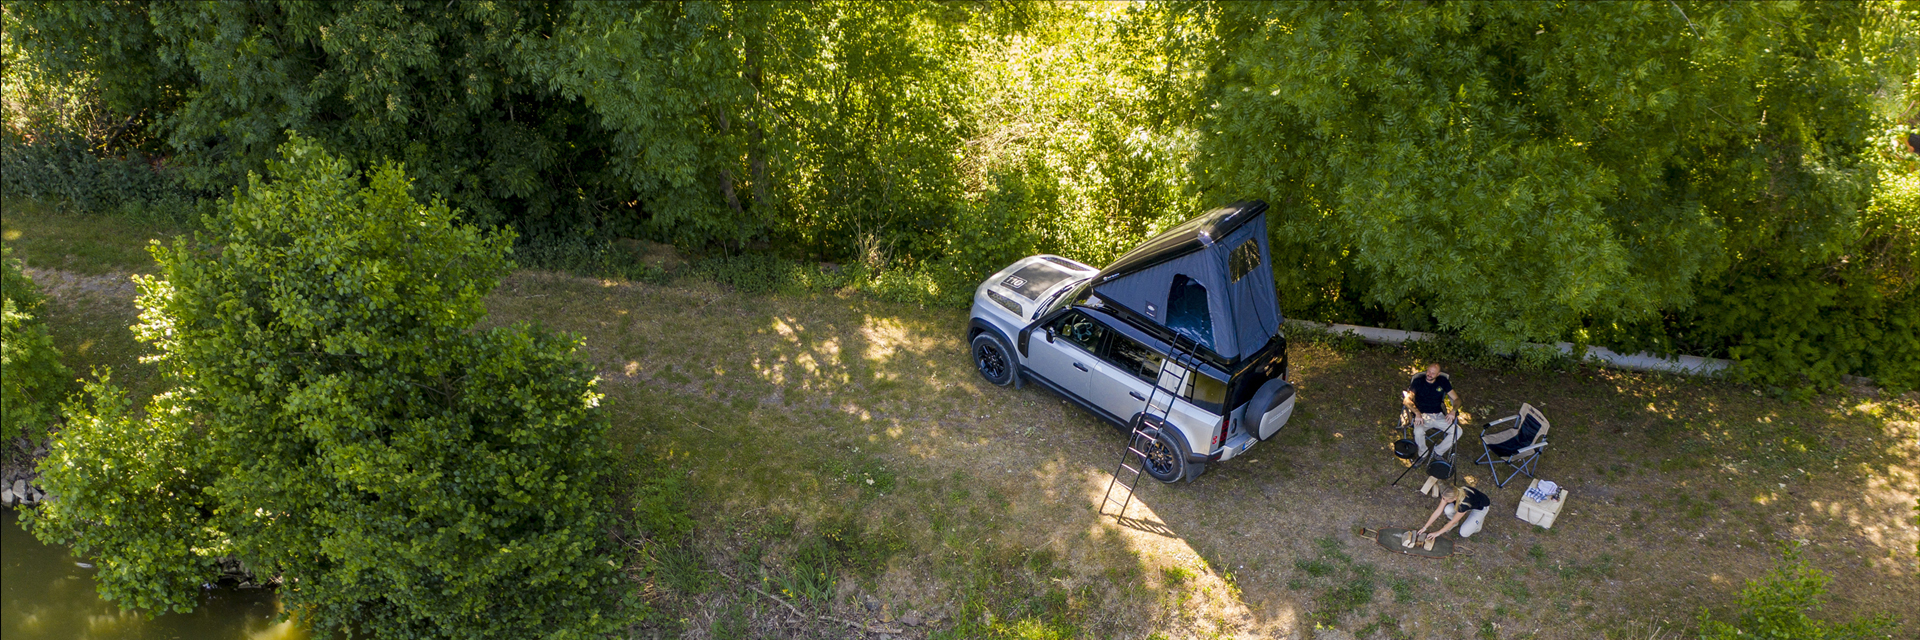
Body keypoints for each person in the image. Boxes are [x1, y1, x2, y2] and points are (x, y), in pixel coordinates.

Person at [1402, 363, 1461, 458]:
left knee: (1458, 431)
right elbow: (1407, 400)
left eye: (1433, 373)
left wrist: (1453, 411)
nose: (1429, 374)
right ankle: (1423, 453)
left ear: (1438, 374)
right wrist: (1417, 413)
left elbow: (1457, 399)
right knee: (1418, 431)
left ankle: (1438, 452)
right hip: (1422, 415)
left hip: (1439, 415)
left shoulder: (1443, 381)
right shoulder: (1418, 381)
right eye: (1428, 371)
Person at [1415, 485, 1492, 543]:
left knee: (1464, 533)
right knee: (1448, 510)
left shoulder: (1464, 504)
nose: (1444, 501)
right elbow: (1438, 511)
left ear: (1455, 498)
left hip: (1480, 508)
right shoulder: (1452, 492)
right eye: (1443, 498)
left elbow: (1453, 521)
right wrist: (1425, 527)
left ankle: (1478, 523)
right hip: (1469, 503)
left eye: (1446, 500)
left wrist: (1437, 533)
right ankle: (1469, 520)